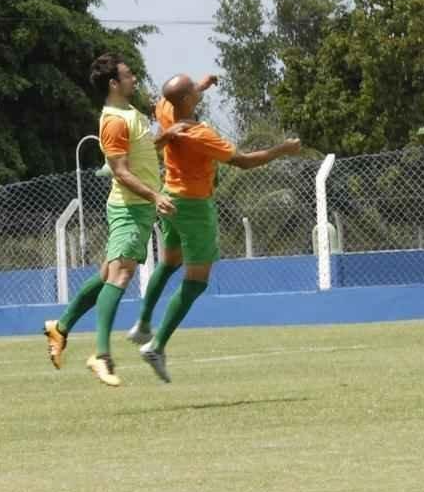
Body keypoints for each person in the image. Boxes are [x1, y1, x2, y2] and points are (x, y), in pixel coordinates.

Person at [128, 74, 301, 381]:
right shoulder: (201, 135)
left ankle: (142, 324)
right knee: (196, 281)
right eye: (194, 88)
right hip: (194, 207)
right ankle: (156, 346)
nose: (198, 88)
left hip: (170, 198)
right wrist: (282, 149)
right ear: (185, 100)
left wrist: (203, 85)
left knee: (169, 262)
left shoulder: (166, 111)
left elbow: (173, 101)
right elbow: (244, 161)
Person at [42, 54, 186, 386]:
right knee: (120, 277)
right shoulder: (113, 121)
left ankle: (59, 328)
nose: (134, 78)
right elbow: (121, 172)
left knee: (107, 275)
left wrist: (166, 136)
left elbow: (142, 149)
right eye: (128, 74)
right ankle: (101, 356)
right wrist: (155, 196)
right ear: (113, 84)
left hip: (139, 207)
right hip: (130, 207)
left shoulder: (129, 113)